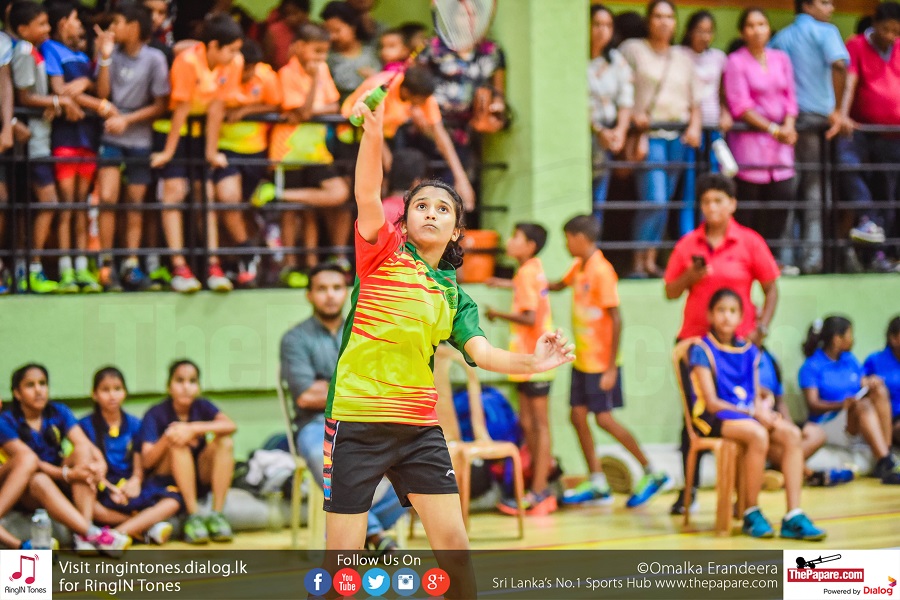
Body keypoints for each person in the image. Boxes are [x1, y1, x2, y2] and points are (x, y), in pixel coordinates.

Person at [326, 94, 573, 598]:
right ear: (405, 218)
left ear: (457, 228)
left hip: (419, 429)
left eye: (443, 209)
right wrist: (373, 136)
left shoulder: (456, 297)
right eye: (422, 206)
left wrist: (532, 361)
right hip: (357, 421)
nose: (432, 214)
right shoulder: (381, 252)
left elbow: (483, 353)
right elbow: (367, 195)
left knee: (456, 551)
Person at [664, 173, 780, 513]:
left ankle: (741, 498)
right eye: (705, 202)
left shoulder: (749, 242)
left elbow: (772, 286)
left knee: (746, 415)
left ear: (732, 204)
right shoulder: (688, 244)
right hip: (696, 346)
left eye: (718, 201)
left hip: (737, 349)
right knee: (694, 419)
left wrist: (762, 329)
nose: (712, 208)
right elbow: (670, 291)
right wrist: (691, 276)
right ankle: (690, 493)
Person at [280, 263, 408, 554]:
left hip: (364, 420)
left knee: (412, 457)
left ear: (346, 292)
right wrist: (357, 385)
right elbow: (306, 398)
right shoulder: (295, 339)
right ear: (309, 295)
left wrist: (329, 386)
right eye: (322, 289)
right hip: (315, 425)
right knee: (320, 454)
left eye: (337, 288)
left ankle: (359, 528)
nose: (330, 295)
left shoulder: (364, 332)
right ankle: (374, 534)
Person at [686, 289, 826, 540]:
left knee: (792, 434)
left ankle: (793, 515)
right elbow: (712, 402)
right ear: (710, 314)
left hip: (748, 414)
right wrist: (754, 413)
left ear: (741, 317)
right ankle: (750, 510)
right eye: (721, 310)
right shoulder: (701, 349)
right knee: (758, 434)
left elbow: (756, 391)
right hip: (715, 418)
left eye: (732, 311)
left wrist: (764, 407)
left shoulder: (749, 350)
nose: (727, 317)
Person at [550, 215, 669, 508]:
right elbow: (557, 285)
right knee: (577, 416)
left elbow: (616, 319)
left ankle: (652, 471)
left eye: (568, 238)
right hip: (582, 360)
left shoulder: (602, 271)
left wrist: (611, 366)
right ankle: (597, 481)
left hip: (602, 362)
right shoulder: (579, 267)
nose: (566, 244)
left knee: (603, 418)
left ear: (581, 238)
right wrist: (519, 280)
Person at [149, 14, 244, 293]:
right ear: (213, 45)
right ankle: (179, 267)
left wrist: (212, 152)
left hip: (199, 134)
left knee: (207, 194)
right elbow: (180, 110)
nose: (236, 56)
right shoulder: (187, 62)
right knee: (174, 192)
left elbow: (216, 109)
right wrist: (167, 152)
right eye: (232, 49)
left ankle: (213, 266)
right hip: (172, 131)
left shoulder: (233, 63)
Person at [0, 364, 131, 553]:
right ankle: (90, 532)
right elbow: (31, 462)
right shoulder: (6, 421)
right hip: (29, 487)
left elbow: (85, 444)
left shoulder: (58, 411)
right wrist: (68, 474)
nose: (38, 390)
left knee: (83, 452)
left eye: (42, 384)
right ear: (17, 393)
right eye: (30, 385)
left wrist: (100, 466)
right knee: (38, 477)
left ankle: (84, 533)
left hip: (60, 480)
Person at [619, 0, 702, 278]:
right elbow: (621, 88)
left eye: (669, 17)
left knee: (665, 201)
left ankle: (650, 260)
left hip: (677, 138)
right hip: (648, 135)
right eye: (658, 16)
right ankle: (637, 260)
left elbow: (695, 101)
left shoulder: (683, 57)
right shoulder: (633, 50)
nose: (664, 22)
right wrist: (632, 120)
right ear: (648, 20)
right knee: (652, 199)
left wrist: (694, 127)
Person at [260, 22, 349, 277]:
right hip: (288, 150)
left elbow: (334, 107)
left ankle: (310, 263)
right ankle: (289, 265)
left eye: (324, 52)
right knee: (292, 214)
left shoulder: (321, 70)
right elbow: (304, 111)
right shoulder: (287, 73)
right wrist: (313, 84)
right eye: (316, 51)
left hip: (316, 150)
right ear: (298, 47)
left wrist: (310, 107)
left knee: (331, 197)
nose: (321, 58)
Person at [94, 0, 170, 292]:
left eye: (118, 23)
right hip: (111, 139)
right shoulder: (111, 54)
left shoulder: (154, 59)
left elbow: (160, 104)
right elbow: (103, 94)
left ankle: (130, 264)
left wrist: (127, 120)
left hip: (139, 140)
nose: (113, 28)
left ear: (135, 26)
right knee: (109, 198)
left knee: (136, 204)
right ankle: (105, 263)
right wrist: (104, 57)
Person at [770, 0, 850, 274]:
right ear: (806, 5)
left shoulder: (781, 38)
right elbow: (840, 65)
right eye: (825, 2)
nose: (832, 8)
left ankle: (786, 258)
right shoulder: (826, 32)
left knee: (790, 190)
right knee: (815, 193)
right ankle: (813, 260)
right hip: (818, 122)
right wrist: (838, 111)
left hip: (788, 125)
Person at [484, 223, 557, 515]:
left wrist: (495, 313)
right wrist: (503, 284)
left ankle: (540, 491)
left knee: (539, 426)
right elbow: (528, 290)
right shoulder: (531, 269)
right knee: (528, 423)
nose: (509, 241)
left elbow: (528, 317)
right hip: (529, 361)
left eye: (515, 237)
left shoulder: (527, 273)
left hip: (536, 360)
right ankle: (535, 489)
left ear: (529, 246)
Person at [341, 63, 476, 211]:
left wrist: (461, 178)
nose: (425, 104)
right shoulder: (379, 89)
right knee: (364, 191)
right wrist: (389, 164)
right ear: (406, 91)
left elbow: (440, 134)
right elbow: (365, 123)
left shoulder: (422, 95)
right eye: (421, 100)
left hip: (384, 135)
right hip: (352, 135)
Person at [41, 2, 107, 294]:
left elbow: (88, 87)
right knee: (67, 204)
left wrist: (83, 82)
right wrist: (91, 94)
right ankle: (65, 267)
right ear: (61, 23)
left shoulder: (82, 54)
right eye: (74, 19)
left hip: (87, 138)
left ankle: (82, 267)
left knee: (81, 204)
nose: (79, 24)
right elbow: (60, 91)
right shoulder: (51, 49)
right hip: (65, 138)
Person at [9, 1, 71, 293]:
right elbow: (24, 98)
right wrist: (57, 102)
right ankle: (31, 268)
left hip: (42, 140)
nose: (47, 29)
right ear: (23, 29)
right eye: (42, 24)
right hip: (33, 144)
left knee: (31, 206)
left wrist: (53, 104)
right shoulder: (22, 51)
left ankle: (24, 268)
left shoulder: (36, 51)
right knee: (48, 203)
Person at [79, 367, 181, 545]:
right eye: (105, 390)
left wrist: (135, 481)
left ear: (124, 392)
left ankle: (114, 534)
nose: (112, 395)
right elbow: (87, 463)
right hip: (105, 486)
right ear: (94, 394)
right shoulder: (85, 425)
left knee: (173, 501)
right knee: (91, 508)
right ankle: (145, 527)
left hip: (130, 486)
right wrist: (109, 487)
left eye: (117, 389)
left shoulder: (135, 424)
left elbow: (138, 464)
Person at [723, 8, 798, 246]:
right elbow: (740, 106)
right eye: (751, 25)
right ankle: (744, 257)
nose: (757, 30)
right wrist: (774, 129)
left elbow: (791, 98)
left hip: (782, 147)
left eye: (762, 24)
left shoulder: (781, 58)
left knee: (781, 202)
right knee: (748, 207)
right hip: (750, 146)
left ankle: (772, 258)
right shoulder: (735, 61)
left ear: (769, 28)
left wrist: (789, 126)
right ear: (742, 31)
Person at [140, 360, 237, 544]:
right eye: (180, 381)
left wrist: (192, 429)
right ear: (169, 386)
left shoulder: (202, 406)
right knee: (178, 444)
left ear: (198, 387)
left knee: (225, 441)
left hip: (199, 476)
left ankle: (217, 514)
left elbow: (230, 425)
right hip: (167, 480)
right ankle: (193, 516)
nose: (186, 387)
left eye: (192, 381)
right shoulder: (155, 413)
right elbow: (147, 461)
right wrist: (170, 436)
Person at [213, 39, 283, 289]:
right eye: (245, 67)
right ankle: (247, 252)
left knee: (242, 209)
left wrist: (245, 110)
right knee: (227, 199)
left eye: (252, 67)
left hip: (256, 153)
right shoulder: (222, 75)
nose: (249, 73)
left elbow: (276, 104)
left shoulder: (266, 76)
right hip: (225, 151)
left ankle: (242, 262)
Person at [801, 317, 900, 485]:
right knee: (862, 405)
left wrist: (871, 382)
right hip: (828, 422)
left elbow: (862, 382)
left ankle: (886, 453)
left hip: (852, 419)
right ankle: (884, 460)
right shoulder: (812, 366)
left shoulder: (850, 360)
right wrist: (842, 404)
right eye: (849, 335)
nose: (853, 339)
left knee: (879, 390)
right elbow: (813, 404)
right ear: (837, 339)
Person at [837, 2, 900, 262]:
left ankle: (881, 256)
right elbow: (850, 83)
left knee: (889, 194)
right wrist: (842, 113)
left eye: (896, 32)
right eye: (885, 29)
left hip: (893, 136)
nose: (890, 36)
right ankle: (868, 220)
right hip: (861, 129)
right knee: (847, 165)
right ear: (874, 24)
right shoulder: (856, 45)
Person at [757, 345, 853, 486]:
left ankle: (780, 469)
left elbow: (780, 401)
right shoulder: (736, 355)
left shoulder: (769, 358)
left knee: (816, 434)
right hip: (754, 418)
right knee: (767, 438)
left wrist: (789, 427)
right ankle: (810, 474)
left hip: (774, 417)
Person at [681, 10, 729, 236]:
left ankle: (711, 233)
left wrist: (726, 112)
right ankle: (689, 237)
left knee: (714, 184)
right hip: (689, 130)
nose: (704, 36)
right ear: (689, 31)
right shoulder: (679, 55)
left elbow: (723, 92)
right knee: (690, 187)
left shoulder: (719, 57)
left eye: (709, 31)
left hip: (714, 129)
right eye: (699, 30)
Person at [588, 4, 633, 235]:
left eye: (607, 25)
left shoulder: (617, 61)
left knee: (600, 199)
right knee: (583, 196)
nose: (601, 30)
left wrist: (621, 131)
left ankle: (594, 250)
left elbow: (626, 98)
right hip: (585, 134)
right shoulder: (576, 59)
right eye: (596, 24)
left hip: (609, 136)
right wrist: (597, 130)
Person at [321, 1, 380, 101]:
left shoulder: (372, 51)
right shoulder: (327, 59)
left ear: (352, 27)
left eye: (337, 30)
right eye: (328, 32)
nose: (332, 37)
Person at [863, 316, 900, 446]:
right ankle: (887, 452)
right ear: (894, 338)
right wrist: (869, 381)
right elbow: (861, 386)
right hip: (890, 418)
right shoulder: (875, 360)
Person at [261, 0, 310, 70]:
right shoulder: (274, 32)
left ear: (305, 13)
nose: (290, 18)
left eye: (295, 13)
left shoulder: (313, 32)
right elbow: (267, 61)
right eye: (287, 14)